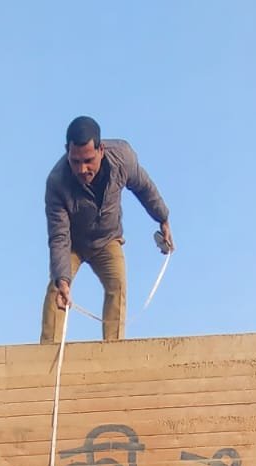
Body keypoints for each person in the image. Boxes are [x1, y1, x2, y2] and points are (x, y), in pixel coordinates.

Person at [40, 114, 172, 345]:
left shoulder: (122, 158)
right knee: (56, 291)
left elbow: (144, 187)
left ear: (101, 150)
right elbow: (59, 236)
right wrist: (63, 280)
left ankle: (113, 348)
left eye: (88, 160)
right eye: (75, 161)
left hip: (107, 239)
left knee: (117, 284)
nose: (82, 169)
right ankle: (48, 351)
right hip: (73, 244)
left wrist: (162, 218)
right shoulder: (57, 182)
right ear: (67, 152)